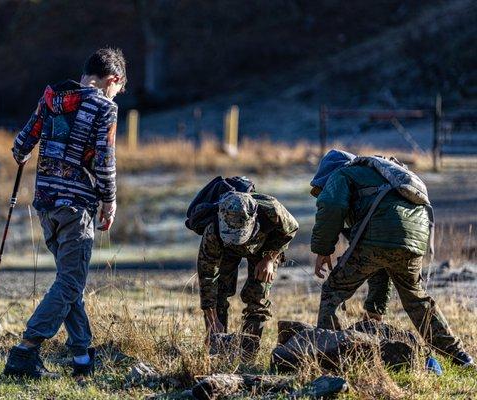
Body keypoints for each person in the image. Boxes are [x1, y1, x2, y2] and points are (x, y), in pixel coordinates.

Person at [3, 48, 126, 379]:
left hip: (46, 205)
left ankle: (83, 359)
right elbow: (104, 159)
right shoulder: (104, 107)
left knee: (69, 282)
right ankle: (25, 350)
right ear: (113, 80)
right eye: (118, 88)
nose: (116, 94)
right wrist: (109, 200)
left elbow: (20, 147)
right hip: (75, 207)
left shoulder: (53, 98)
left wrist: (29, 153)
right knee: (71, 281)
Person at [310, 149, 474, 367]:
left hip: (379, 234)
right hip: (414, 240)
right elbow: (379, 264)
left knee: (333, 291)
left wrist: (323, 249)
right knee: (417, 301)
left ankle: (327, 356)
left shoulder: (341, 174)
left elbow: (331, 206)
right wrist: (374, 310)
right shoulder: (380, 175)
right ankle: (461, 357)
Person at [197, 191, 299, 361]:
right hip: (226, 249)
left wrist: (269, 258)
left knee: (257, 297)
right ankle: (219, 353)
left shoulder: (272, 211)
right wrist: (211, 318)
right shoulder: (213, 231)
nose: (238, 239)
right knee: (218, 294)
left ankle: (247, 356)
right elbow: (207, 276)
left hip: (264, 247)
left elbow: (291, 229)